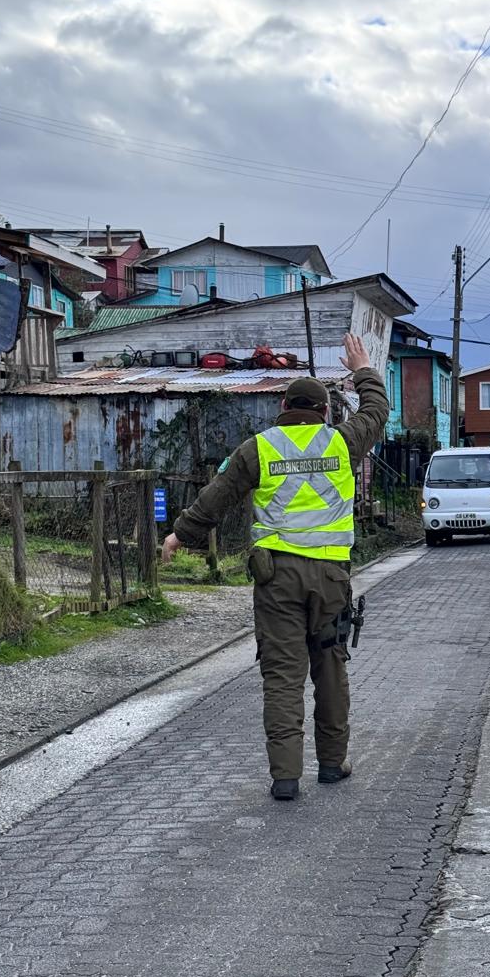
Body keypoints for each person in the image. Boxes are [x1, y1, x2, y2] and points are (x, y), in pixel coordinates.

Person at [161, 333, 388, 801]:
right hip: (330, 578)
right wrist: (364, 369)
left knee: (283, 675)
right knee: (330, 669)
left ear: (282, 406)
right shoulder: (343, 442)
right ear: (325, 411)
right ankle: (332, 764)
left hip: (276, 578)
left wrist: (181, 534)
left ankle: (285, 777)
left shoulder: (259, 448)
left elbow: (218, 495)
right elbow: (376, 411)